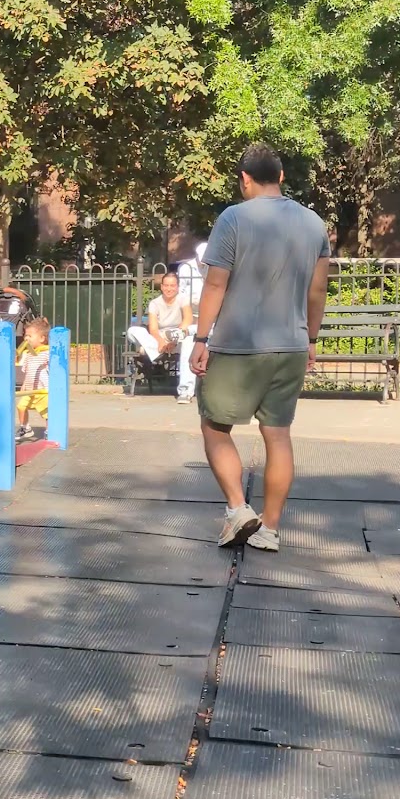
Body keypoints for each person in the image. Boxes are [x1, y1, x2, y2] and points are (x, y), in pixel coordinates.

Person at [189, 143, 330, 550]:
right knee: (278, 435)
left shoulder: (233, 218)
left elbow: (216, 283)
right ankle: (269, 530)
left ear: (245, 179)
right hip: (290, 345)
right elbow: (318, 289)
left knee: (215, 427)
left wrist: (201, 339)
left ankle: (238, 509)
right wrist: (311, 339)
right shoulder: (313, 223)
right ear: (282, 177)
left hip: (238, 345)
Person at [126, 268, 197, 400]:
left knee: (189, 342)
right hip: (159, 340)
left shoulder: (183, 299)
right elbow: (153, 329)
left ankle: (185, 392)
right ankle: (155, 351)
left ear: (177, 287)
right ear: (162, 287)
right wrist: (161, 342)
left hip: (178, 337)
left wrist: (175, 338)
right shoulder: (155, 303)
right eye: (166, 285)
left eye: (172, 285)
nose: (169, 289)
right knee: (133, 331)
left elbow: (188, 319)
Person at [16, 318, 52, 440]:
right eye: (26, 335)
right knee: (21, 406)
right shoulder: (28, 354)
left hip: (42, 389)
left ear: (42, 338)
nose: (26, 339)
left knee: (47, 412)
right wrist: (24, 385)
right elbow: (27, 372)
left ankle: (49, 430)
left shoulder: (47, 352)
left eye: (30, 336)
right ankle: (25, 428)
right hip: (30, 390)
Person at [177, 240, 209, 312]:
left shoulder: (211, 267)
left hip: (207, 306)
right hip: (189, 307)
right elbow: (180, 289)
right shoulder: (186, 268)